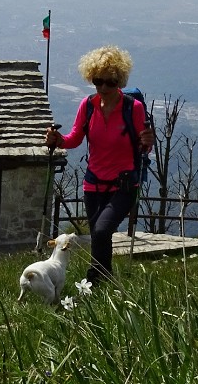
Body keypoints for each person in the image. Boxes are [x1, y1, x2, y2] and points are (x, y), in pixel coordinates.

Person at [44, 45, 153, 285]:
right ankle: (104, 283)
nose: (103, 88)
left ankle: (93, 281)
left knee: (102, 231)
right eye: (97, 82)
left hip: (124, 185)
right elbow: (73, 138)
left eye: (109, 83)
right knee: (98, 236)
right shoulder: (88, 106)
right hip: (93, 185)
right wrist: (57, 140)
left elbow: (143, 146)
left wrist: (148, 141)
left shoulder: (132, 108)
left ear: (120, 82)